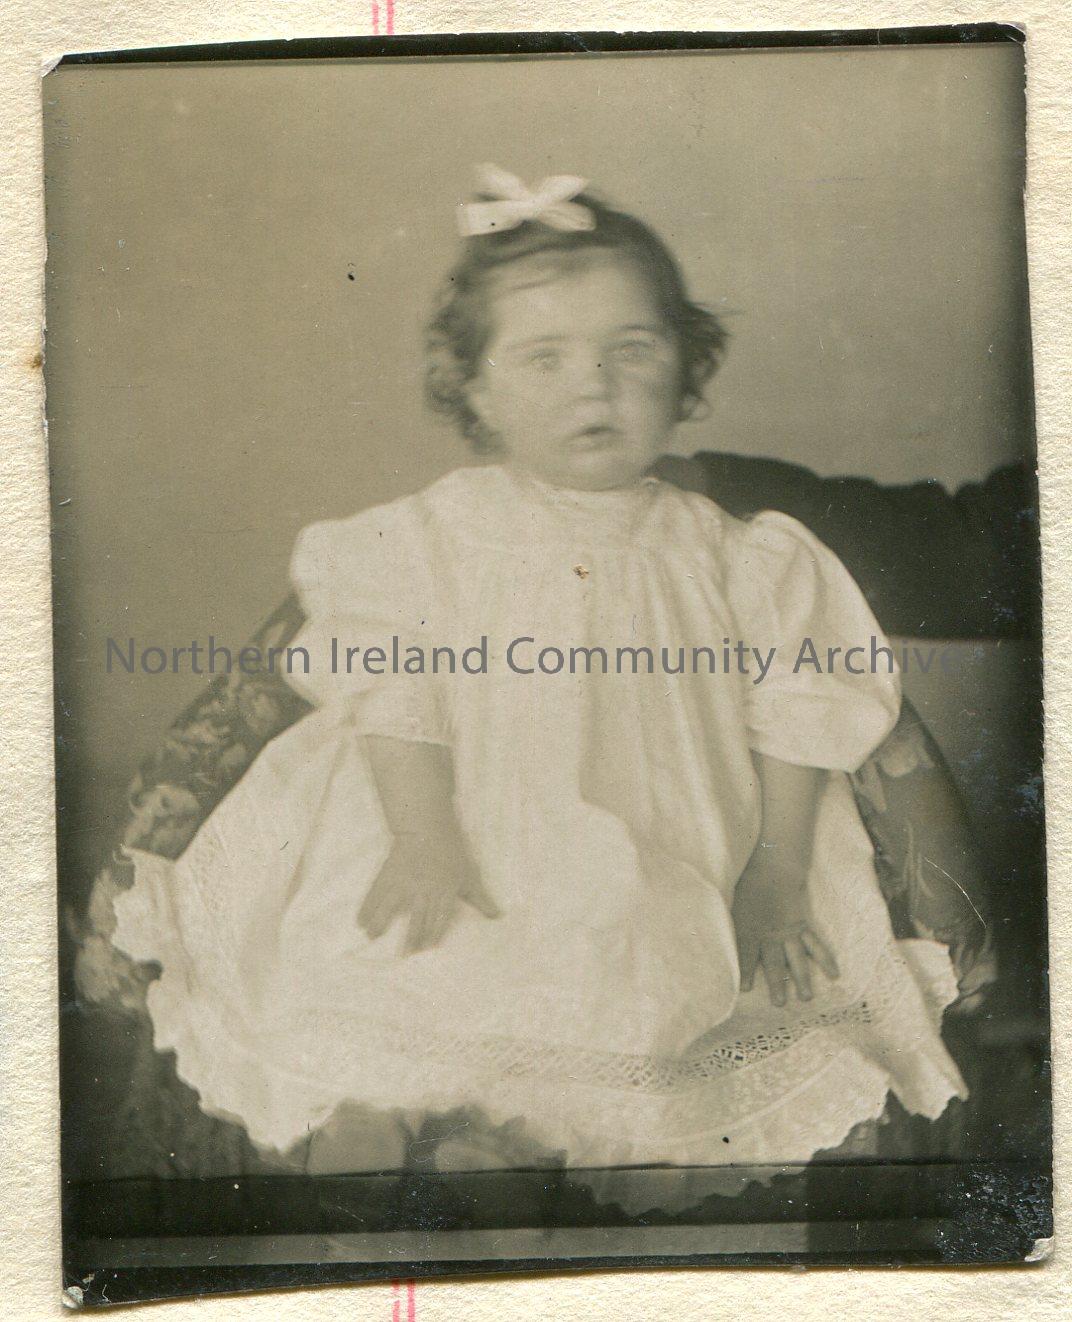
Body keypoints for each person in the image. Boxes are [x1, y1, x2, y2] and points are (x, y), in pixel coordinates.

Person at [110, 167, 967, 1204]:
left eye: (631, 350)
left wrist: (777, 873)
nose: (592, 387)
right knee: (385, 947)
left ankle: (532, 1160)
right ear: (475, 391)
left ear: (687, 372)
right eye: (543, 358)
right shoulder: (430, 534)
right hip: (444, 817)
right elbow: (392, 679)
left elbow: (799, 708)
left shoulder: (741, 553)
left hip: (669, 828)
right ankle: (372, 1115)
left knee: (641, 956)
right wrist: (422, 831)